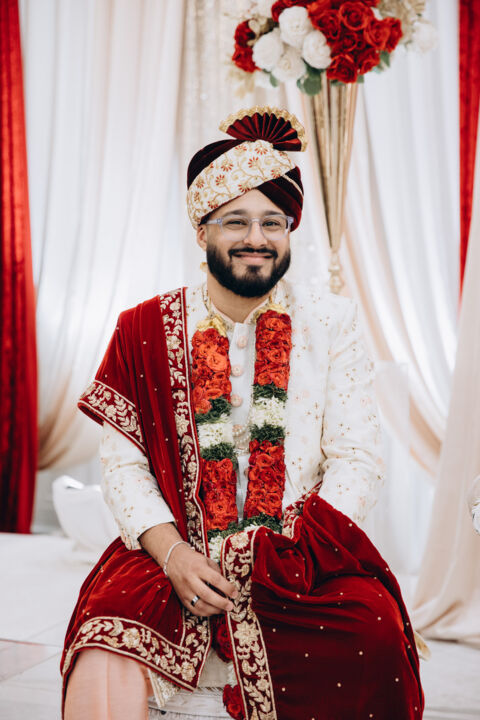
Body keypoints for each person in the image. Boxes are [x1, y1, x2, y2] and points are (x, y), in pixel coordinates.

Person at [62, 107, 424, 720]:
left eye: (272, 222)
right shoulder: (142, 328)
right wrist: (173, 555)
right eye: (235, 220)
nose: (256, 237)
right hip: (174, 544)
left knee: (377, 633)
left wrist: (294, 552)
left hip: (300, 551)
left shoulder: (331, 322)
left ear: (289, 232)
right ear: (202, 231)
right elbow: (125, 468)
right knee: (106, 635)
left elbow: (357, 457)